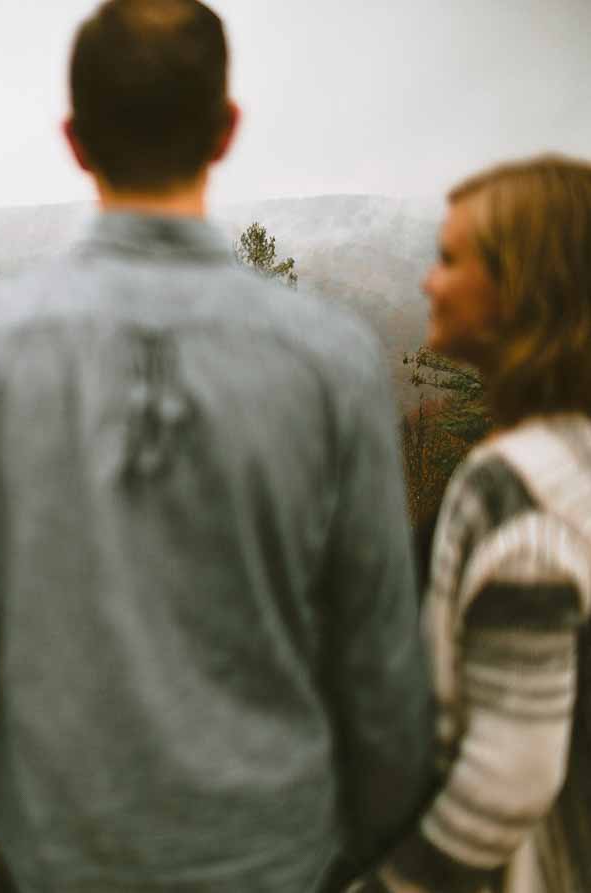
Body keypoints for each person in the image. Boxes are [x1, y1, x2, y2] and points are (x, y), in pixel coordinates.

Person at [0, 1, 435, 891]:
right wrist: (359, 844)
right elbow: (383, 669)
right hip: (281, 851)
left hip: (62, 853)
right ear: (225, 130)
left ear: (75, 138)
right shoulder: (333, 361)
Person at [361, 157, 591, 893]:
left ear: (518, 286)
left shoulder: (515, 489)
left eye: (451, 260)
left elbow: (509, 778)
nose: (428, 281)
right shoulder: (571, 457)